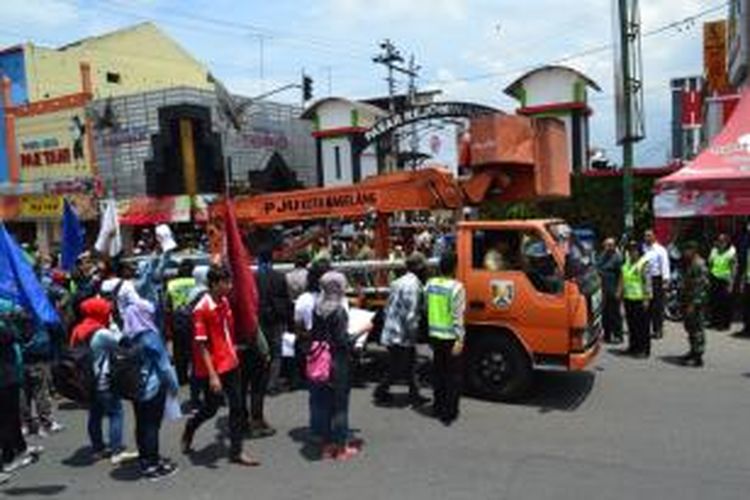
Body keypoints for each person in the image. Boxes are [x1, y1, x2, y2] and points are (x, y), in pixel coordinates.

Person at [181, 265, 259, 467]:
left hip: (231, 362)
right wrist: (213, 375)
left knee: (237, 407)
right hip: (212, 367)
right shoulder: (201, 309)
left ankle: (236, 451)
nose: (229, 286)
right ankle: (191, 426)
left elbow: (225, 332)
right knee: (211, 408)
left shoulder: (224, 302)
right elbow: (202, 344)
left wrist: (235, 347)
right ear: (214, 284)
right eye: (226, 282)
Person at [71, 297, 136, 465]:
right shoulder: (101, 333)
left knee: (95, 415)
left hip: (86, 383)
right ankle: (116, 452)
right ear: (98, 312)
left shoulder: (77, 330)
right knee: (116, 413)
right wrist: (114, 327)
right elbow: (124, 345)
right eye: (106, 311)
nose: (108, 313)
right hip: (103, 381)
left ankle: (98, 449)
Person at [122, 296, 180, 480]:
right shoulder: (150, 336)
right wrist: (174, 387)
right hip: (152, 387)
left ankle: (145, 457)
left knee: (141, 423)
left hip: (134, 386)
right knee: (152, 426)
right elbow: (164, 367)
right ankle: (152, 466)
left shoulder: (128, 335)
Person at [308, 271, 361, 460]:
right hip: (338, 362)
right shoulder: (339, 311)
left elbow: (315, 335)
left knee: (326, 404)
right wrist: (363, 330)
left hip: (321, 361)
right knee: (340, 406)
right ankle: (341, 448)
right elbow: (343, 342)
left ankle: (328, 444)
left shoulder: (318, 308)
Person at [374, 251, 429, 407]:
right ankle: (381, 390)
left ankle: (413, 393)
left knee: (408, 364)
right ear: (419, 269)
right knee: (399, 366)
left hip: (392, 329)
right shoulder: (414, 287)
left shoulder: (398, 282)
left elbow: (388, 307)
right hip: (402, 334)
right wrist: (415, 335)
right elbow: (411, 315)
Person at [0, 299, 42, 479]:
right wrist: (11, 319)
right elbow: (14, 336)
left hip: (10, 377)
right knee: (4, 420)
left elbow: (22, 335)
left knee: (10, 416)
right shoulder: (3, 329)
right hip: (3, 378)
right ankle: (6, 457)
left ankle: (14, 451)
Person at [425, 251, 466, 425]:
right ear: (455, 267)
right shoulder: (456, 287)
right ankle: (449, 412)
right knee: (453, 376)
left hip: (434, 335)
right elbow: (458, 315)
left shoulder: (430, 284)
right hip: (450, 337)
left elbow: (426, 308)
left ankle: (437, 406)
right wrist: (460, 339)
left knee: (438, 373)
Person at [255, 250, 292, 394]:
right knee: (277, 353)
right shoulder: (279, 277)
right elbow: (286, 299)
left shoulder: (255, 277)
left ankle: (261, 382)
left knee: (262, 352)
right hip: (277, 318)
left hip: (261, 318)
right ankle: (272, 384)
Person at [618, 241, 652, 358]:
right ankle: (633, 347)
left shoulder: (643, 264)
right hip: (629, 299)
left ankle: (644, 350)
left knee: (642, 327)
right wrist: (620, 294)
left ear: (639, 252)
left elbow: (647, 282)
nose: (632, 253)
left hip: (640, 300)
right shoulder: (627, 264)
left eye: (634, 251)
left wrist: (646, 299)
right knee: (632, 325)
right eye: (630, 251)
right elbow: (623, 278)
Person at [166, 261, 196, 388]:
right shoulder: (195, 283)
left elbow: (167, 304)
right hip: (193, 318)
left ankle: (182, 377)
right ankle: (195, 374)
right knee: (193, 348)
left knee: (179, 350)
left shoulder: (172, 284)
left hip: (177, 319)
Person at [679, 242, 709, 367]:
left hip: (695, 303)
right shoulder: (690, 263)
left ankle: (698, 357)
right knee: (690, 328)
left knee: (697, 329)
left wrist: (693, 304)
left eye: (687, 250)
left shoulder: (699, 264)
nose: (685, 253)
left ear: (694, 250)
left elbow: (701, 287)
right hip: (688, 301)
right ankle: (692, 351)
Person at [643, 230, 670, 339]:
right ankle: (645, 329)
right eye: (645, 236)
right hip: (645, 279)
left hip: (656, 279)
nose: (647, 237)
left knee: (657, 306)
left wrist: (665, 280)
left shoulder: (660, 250)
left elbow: (665, 265)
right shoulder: (643, 248)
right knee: (646, 306)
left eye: (649, 235)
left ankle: (658, 329)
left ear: (654, 236)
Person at [596, 238, 624, 344]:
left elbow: (621, 276)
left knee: (615, 314)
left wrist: (619, 290)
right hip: (603, 290)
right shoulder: (601, 256)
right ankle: (607, 335)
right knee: (605, 314)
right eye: (607, 244)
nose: (608, 247)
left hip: (613, 289)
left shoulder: (617, 258)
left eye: (611, 245)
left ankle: (618, 335)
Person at [707, 233, 737, 331]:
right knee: (714, 301)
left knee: (725, 303)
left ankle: (724, 324)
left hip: (726, 280)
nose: (720, 243)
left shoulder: (731, 252)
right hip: (714, 278)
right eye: (719, 241)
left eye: (722, 241)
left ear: (727, 242)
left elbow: (734, 268)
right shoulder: (714, 250)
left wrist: (731, 283)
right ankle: (714, 321)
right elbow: (710, 263)